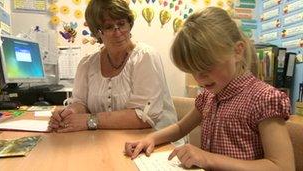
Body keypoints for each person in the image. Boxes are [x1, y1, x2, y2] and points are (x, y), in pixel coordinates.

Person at [124, 7, 295, 170]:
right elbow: (180, 128)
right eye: (193, 71)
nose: (199, 79)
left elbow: (282, 166)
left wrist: (208, 158)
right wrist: (150, 138)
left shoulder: (264, 99)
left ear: (237, 51)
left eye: (206, 68)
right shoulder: (209, 96)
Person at [48, 0, 177, 132]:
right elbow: (81, 103)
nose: (118, 32)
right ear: (97, 32)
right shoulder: (87, 64)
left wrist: (90, 120)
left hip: (157, 141)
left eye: (121, 24)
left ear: (129, 23)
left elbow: (144, 117)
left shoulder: (145, 57)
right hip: (108, 140)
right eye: (108, 27)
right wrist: (68, 113)